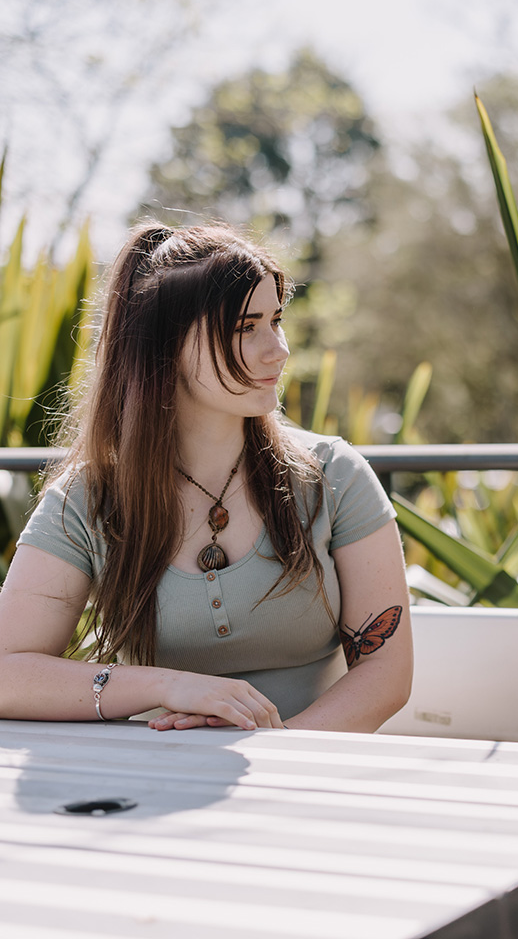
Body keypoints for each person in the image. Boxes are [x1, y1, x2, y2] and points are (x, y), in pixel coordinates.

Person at [0, 223, 412, 732]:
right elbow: (7, 671)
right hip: (153, 781)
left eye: (275, 320)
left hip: (307, 776)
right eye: (245, 328)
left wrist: (278, 755)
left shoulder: (334, 476)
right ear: (165, 347)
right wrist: (166, 684)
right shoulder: (88, 499)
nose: (278, 350)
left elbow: (385, 671)